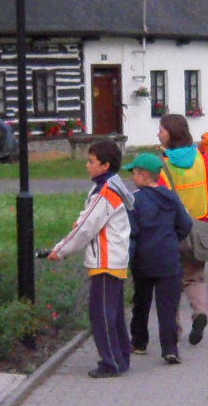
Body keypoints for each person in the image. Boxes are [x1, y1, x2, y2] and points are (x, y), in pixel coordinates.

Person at [47, 138, 133, 377]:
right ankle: (121, 356)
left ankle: (111, 363)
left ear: (105, 165)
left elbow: (86, 227)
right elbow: (88, 220)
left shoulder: (105, 193)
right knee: (114, 314)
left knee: (101, 315)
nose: (87, 165)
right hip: (115, 258)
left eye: (91, 161)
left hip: (105, 260)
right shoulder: (112, 186)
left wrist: (60, 250)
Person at [124, 152, 192, 364]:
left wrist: (129, 257)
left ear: (144, 176)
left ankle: (139, 342)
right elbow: (186, 224)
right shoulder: (171, 197)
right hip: (168, 258)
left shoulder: (135, 200)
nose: (132, 177)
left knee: (141, 302)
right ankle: (170, 349)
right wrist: (172, 239)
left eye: (134, 173)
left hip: (143, 259)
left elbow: (131, 231)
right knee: (168, 306)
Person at [157, 113, 208, 346]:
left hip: (172, 230)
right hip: (199, 226)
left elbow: (160, 198)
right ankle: (200, 312)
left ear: (171, 134)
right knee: (195, 276)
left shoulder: (164, 165)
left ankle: (174, 329)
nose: (158, 134)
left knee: (170, 281)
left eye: (161, 130)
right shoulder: (202, 158)